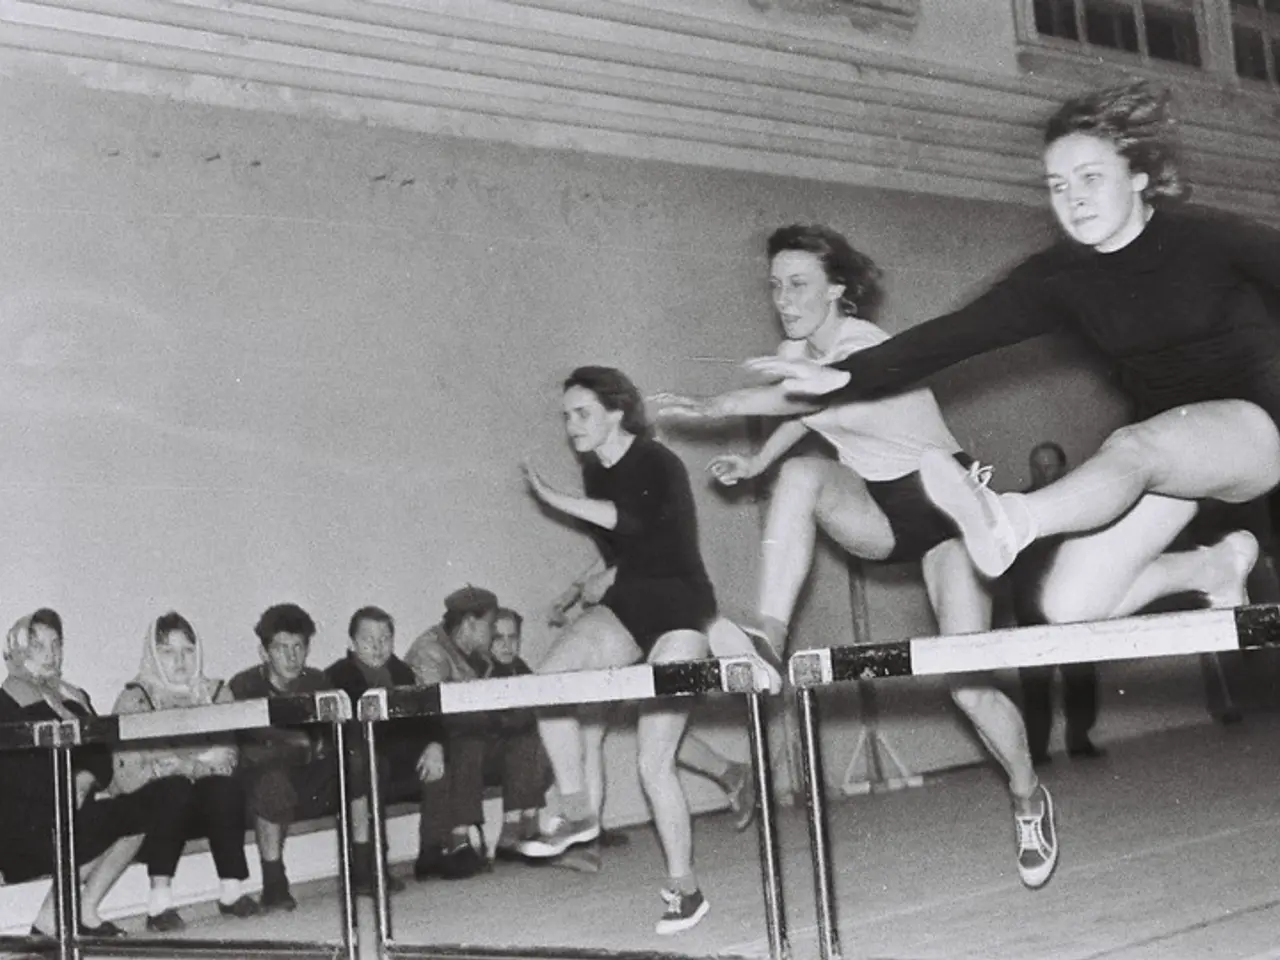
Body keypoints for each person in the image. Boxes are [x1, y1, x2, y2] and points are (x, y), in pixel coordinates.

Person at [746, 82, 1272, 635]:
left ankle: (1009, 522)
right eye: (1058, 186)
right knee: (1073, 604)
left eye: (1091, 178)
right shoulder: (1059, 277)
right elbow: (951, 336)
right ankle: (1215, 566)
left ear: (1139, 175)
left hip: (1253, 429)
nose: (1075, 200)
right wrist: (838, 375)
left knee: (1135, 446)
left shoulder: (1212, 242)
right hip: (1172, 454)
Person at [649, 224, 1055, 889]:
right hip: (882, 509)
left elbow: (813, 390)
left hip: (945, 506)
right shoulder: (796, 352)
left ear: (838, 289)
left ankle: (1026, 794)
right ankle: (768, 637)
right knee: (803, 477)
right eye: (776, 286)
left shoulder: (864, 343)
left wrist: (714, 404)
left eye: (799, 283)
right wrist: (758, 459)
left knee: (968, 684)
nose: (784, 298)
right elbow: (805, 412)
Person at [517, 365, 715, 934]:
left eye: (582, 414)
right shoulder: (594, 472)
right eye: (566, 416)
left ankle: (685, 889)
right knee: (547, 677)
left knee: (654, 761)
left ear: (616, 412)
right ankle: (577, 807)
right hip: (629, 606)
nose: (571, 426)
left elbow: (631, 522)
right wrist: (585, 582)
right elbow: (623, 551)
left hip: (680, 610)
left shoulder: (657, 462)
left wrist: (552, 498)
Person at [0, 610, 149, 939]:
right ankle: (52, 918)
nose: (51, 655)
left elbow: (102, 755)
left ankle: (84, 911)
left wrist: (84, 778)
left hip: (72, 809)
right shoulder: (4, 703)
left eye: (56, 645)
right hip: (23, 827)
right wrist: (66, 785)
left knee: (139, 814)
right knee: (90, 824)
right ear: (17, 649)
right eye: (38, 646)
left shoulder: (73, 698)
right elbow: (15, 777)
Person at [110, 613, 259, 931]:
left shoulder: (217, 693)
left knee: (223, 788)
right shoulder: (135, 699)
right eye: (168, 651)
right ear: (153, 654)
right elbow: (128, 775)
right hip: (154, 805)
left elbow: (228, 759)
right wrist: (196, 760)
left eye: (188, 650)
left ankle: (232, 891)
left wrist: (174, 759)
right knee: (174, 788)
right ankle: (159, 903)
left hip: (201, 799)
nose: (180, 660)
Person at [402, 587, 522, 879]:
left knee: (520, 739)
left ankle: (509, 833)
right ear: (470, 623)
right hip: (423, 739)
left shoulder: (479, 655)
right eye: (490, 625)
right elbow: (428, 711)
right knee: (465, 744)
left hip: (464, 736)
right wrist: (435, 743)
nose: (494, 632)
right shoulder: (429, 651)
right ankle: (451, 844)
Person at [229, 602, 340, 912]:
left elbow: (330, 738)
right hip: (265, 779)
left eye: (299, 647)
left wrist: (305, 744)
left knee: (357, 766)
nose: (292, 657)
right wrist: (301, 742)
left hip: (308, 775)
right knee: (271, 779)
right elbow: (252, 747)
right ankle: (274, 883)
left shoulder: (318, 682)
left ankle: (363, 865)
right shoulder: (245, 685)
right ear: (264, 652)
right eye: (281, 648)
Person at [326, 606, 446, 888]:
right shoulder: (336, 677)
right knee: (369, 768)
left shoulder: (404, 673)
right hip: (359, 760)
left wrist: (434, 743)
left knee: (440, 758)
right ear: (351, 643)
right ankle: (369, 864)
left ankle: (432, 851)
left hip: (398, 756)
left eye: (385, 639)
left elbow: (428, 717)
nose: (378, 647)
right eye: (369, 640)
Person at [1010, 444, 1103, 766]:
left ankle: (1079, 739)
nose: (1042, 473)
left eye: (1048, 467)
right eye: (1037, 467)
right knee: (1035, 683)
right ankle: (1036, 750)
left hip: (1075, 607)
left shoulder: (1081, 508)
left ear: (1062, 468)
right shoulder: (1020, 509)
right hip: (1033, 610)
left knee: (1081, 678)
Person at [474, 607, 553, 859]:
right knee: (524, 738)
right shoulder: (481, 669)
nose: (507, 645)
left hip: (519, 753)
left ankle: (528, 821)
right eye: (499, 638)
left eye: (513, 638)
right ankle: (514, 829)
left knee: (540, 738)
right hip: (485, 757)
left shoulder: (521, 668)